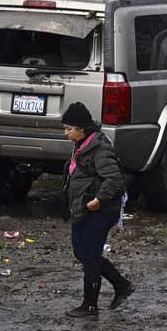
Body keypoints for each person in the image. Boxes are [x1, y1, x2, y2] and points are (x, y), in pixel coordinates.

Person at [61, 101, 134, 318]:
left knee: (90, 255)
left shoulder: (100, 148)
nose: (66, 133)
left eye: (69, 129)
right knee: (81, 251)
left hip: (100, 210)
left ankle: (90, 306)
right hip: (83, 209)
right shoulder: (82, 145)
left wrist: (99, 200)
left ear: (82, 128)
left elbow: (115, 180)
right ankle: (121, 285)